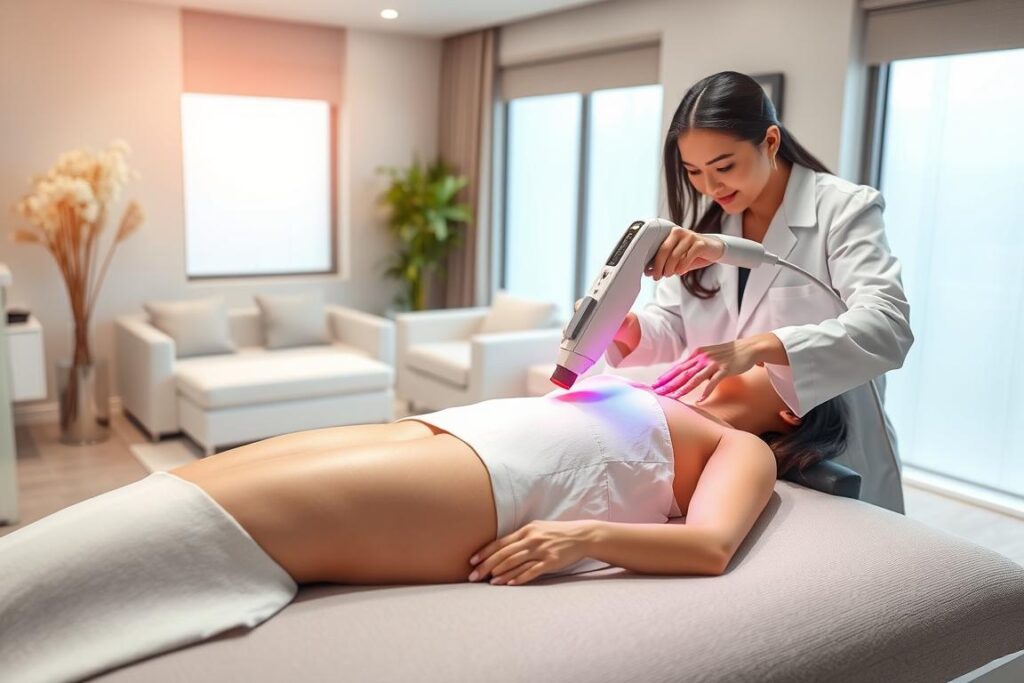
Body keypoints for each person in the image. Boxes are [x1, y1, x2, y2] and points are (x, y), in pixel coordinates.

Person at [0, 366, 846, 682]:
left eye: (776, 361)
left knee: (222, 519)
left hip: (486, 485)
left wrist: (581, 537)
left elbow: (708, 546)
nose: (748, 346)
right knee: (189, 485)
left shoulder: (745, 448)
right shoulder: (672, 384)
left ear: (792, 404)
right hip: (452, 435)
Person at [606, 70, 913, 512]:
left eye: (724, 167)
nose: (710, 188)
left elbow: (888, 326)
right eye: (693, 172)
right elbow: (674, 324)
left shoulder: (843, 209)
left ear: (770, 142)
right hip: (733, 449)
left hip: (827, 449)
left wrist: (762, 347)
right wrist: (629, 327)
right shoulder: (711, 227)